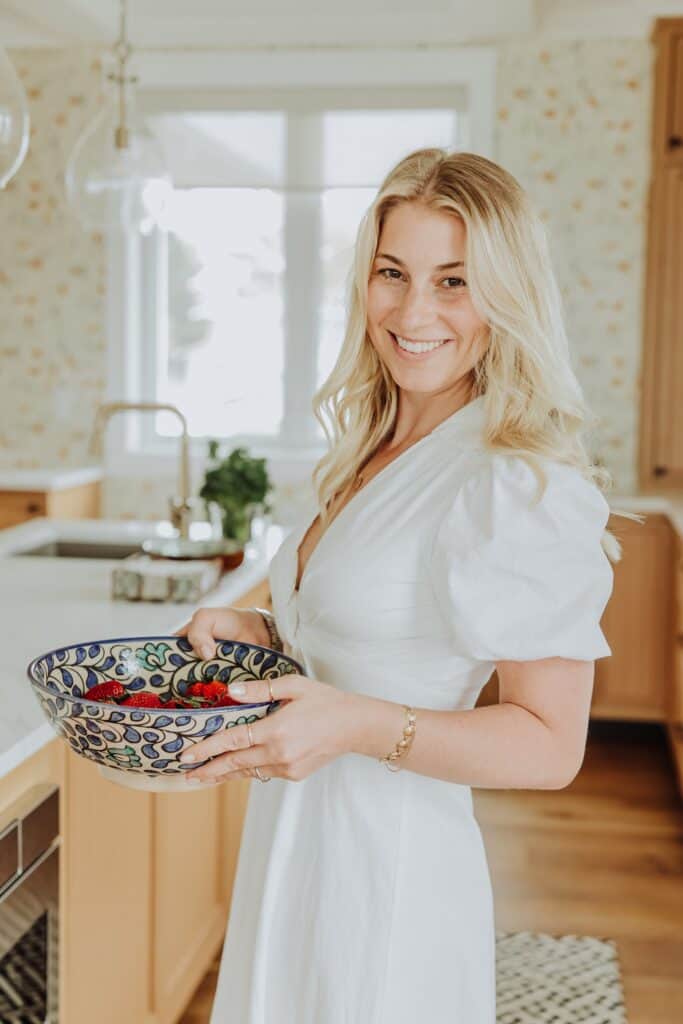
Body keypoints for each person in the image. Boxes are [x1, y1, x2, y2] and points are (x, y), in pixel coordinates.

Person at [174, 148, 635, 1023]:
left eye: (453, 281)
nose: (413, 310)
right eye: (393, 273)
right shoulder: (370, 444)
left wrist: (354, 723)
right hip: (291, 848)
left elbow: (549, 745)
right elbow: (376, 640)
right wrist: (267, 633)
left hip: (386, 877)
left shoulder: (511, 481)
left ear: (507, 295)